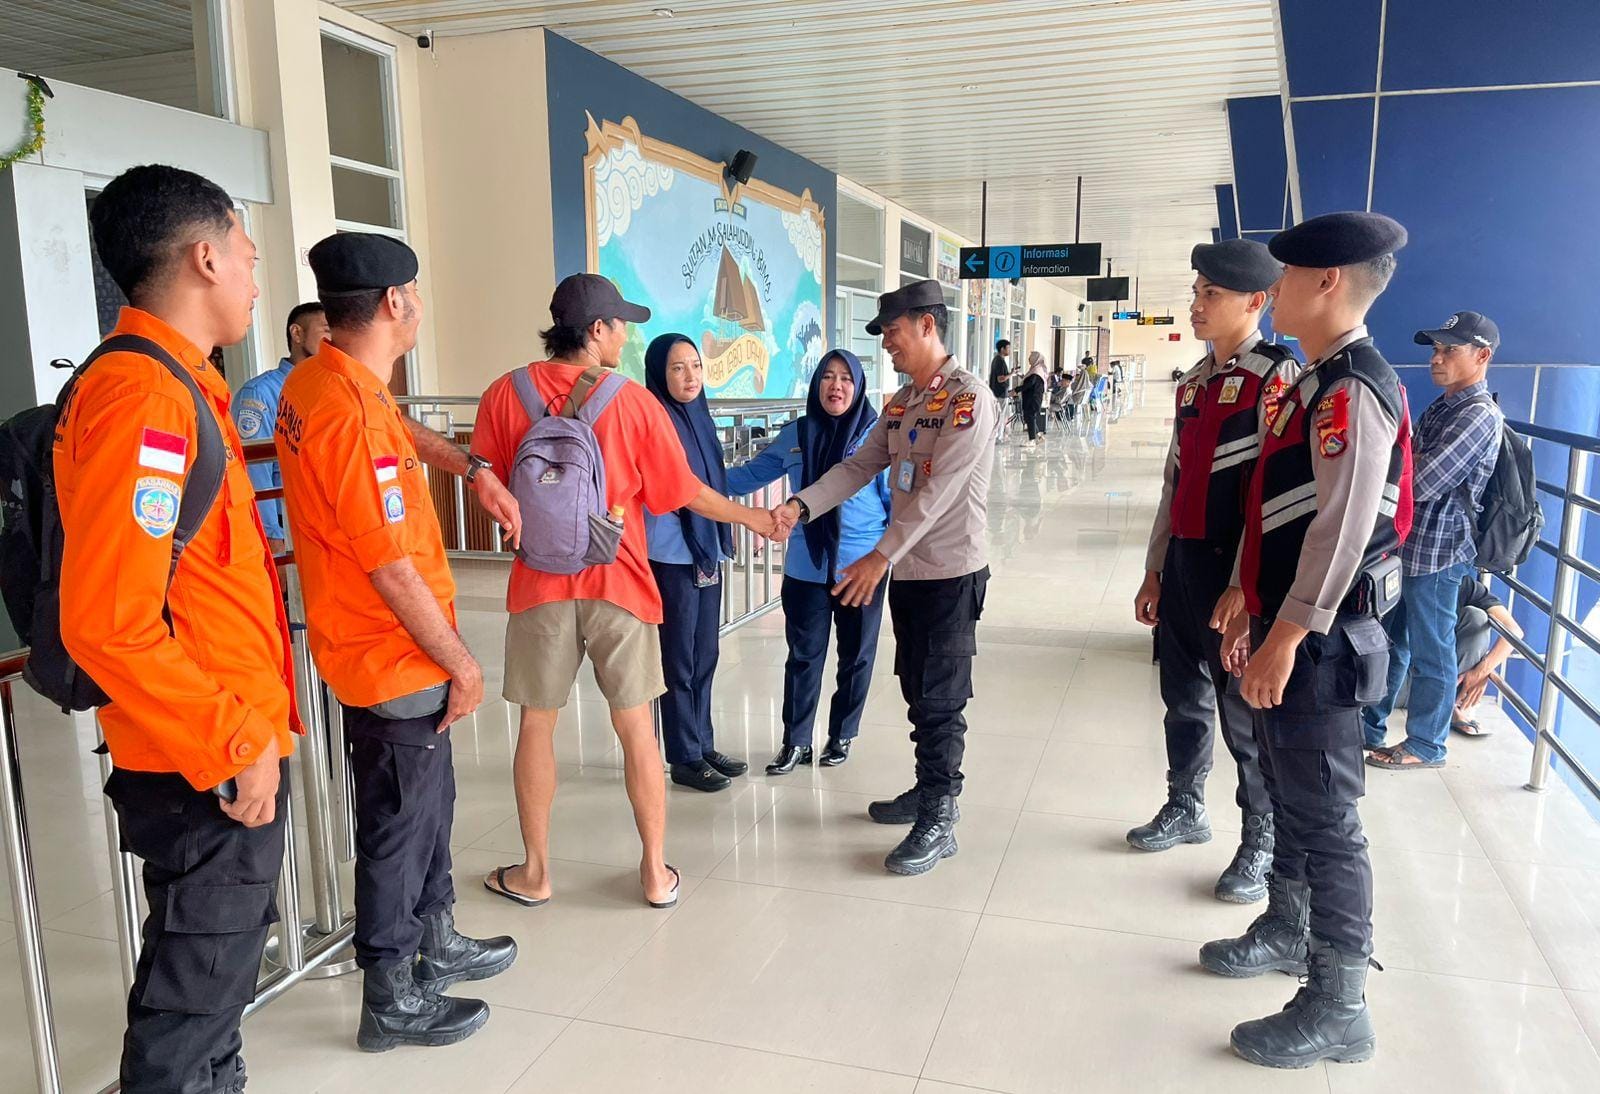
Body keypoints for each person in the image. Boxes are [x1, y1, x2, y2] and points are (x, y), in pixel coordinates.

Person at [58, 164, 298, 1094]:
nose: (254, 274)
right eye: (247, 253)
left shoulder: (183, 385)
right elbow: (108, 622)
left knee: (211, 977)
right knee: (191, 1004)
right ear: (205, 257)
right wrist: (236, 739)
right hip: (202, 757)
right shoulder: (147, 399)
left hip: (215, 741)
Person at [275, 233, 520, 1052]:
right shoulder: (347, 414)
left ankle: (434, 939)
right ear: (394, 302)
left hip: (392, 648)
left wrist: (471, 468)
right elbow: (387, 566)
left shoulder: (325, 379)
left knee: (430, 807)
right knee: (396, 827)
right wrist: (463, 663)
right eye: (414, 292)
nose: (418, 304)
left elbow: (401, 429)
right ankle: (389, 992)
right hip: (390, 653)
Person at [471, 274, 773, 910]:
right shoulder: (631, 402)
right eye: (621, 326)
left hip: (539, 583)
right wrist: (751, 518)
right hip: (620, 581)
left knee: (537, 724)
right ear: (596, 330)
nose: (626, 337)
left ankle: (535, 873)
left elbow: (487, 482)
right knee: (637, 727)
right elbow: (683, 493)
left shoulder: (504, 393)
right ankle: (655, 873)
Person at [1209, 210, 1413, 1068]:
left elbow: (1342, 529)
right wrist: (1252, 606)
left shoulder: (1354, 388)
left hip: (1325, 642)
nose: (1276, 288)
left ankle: (1340, 1004)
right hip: (1293, 623)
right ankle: (1289, 928)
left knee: (1328, 819)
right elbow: (1282, 512)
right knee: (1292, 795)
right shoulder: (1318, 381)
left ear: (1327, 281)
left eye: (1287, 275)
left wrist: (1287, 633)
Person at [771, 279, 999, 877]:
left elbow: (939, 492)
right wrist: (800, 505)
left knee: (942, 696)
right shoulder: (902, 403)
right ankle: (927, 790)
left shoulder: (968, 400)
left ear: (927, 325)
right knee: (917, 688)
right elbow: (857, 468)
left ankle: (941, 815)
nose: (887, 344)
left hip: (950, 572)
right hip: (911, 573)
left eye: (893, 332)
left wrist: (879, 555)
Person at [1130, 239, 1298, 904]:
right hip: (1185, 565)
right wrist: (1155, 569)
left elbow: (1269, 491)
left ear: (1256, 302)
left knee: (1243, 717)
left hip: (1237, 573)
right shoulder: (1195, 383)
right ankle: (1185, 805)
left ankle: (1260, 839)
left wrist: (1243, 586)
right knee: (1182, 697)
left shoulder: (1274, 378)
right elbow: (1172, 483)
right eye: (1197, 292)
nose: (1197, 305)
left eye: (1212, 294)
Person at [726, 350, 892, 774]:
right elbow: (747, 477)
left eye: (846, 379)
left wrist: (888, 559)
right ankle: (796, 741)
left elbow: (895, 504)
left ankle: (842, 734)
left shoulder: (877, 437)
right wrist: (691, 473)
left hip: (859, 566)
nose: (836, 386)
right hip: (806, 566)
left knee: (856, 655)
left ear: (858, 387)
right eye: (828, 377)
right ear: (816, 384)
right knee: (803, 655)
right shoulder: (796, 434)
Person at [1363, 311, 1503, 769]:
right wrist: (1409, 461)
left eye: (1450, 350)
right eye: (1436, 350)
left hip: (1440, 554)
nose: (1436, 359)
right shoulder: (1446, 406)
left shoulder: (1478, 415)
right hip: (1411, 545)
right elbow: (1409, 463)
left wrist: (1408, 462)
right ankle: (1370, 727)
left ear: (1482, 356)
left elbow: (1419, 480)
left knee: (1432, 652)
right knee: (1394, 644)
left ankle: (1426, 744)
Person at [642, 333, 748, 792]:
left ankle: (703, 743)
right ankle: (684, 755)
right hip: (670, 554)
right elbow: (680, 489)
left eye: (696, 366)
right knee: (678, 658)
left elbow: (715, 481)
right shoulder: (655, 419)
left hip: (705, 550)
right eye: (677, 368)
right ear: (659, 374)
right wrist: (750, 518)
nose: (690, 377)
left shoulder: (700, 417)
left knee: (706, 652)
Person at [233, 301, 327, 555]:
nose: (333, 340)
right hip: (287, 525)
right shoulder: (261, 393)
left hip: (324, 523)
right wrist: (273, 537)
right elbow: (256, 472)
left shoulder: (331, 387)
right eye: (326, 330)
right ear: (297, 333)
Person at [1449, 575, 1523, 736]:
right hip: (1401, 686)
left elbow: (1514, 631)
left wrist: (1482, 670)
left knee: (1477, 617)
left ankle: (1452, 705)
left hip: (1444, 686)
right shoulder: (1407, 577)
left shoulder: (1463, 584)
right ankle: (1445, 706)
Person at [1020, 350, 1048, 445]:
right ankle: (1038, 436)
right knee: (1030, 418)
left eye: (1031, 357)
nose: (1029, 358)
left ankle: (1032, 440)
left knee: (1030, 417)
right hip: (1032, 398)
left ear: (1036, 359)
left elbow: (1030, 383)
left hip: (1033, 399)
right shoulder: (1035, 369)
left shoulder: (1037, 371)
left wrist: (1016, 390)